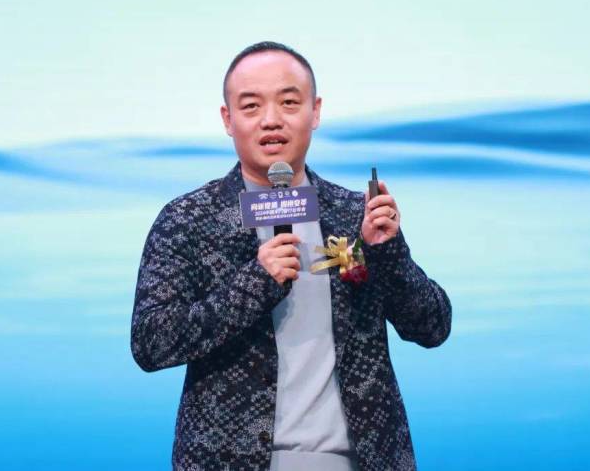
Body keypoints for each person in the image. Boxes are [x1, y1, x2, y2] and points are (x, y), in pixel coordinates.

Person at [131, 41, 452, 471]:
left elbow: (433, 327)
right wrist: (254, 284)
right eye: (251, 106)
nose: (271, 120)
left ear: (314, 112)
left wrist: (388, 254)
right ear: (227, 119)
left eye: (288, 102)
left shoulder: (354, 214)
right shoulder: (189, 219)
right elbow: (151, 343)